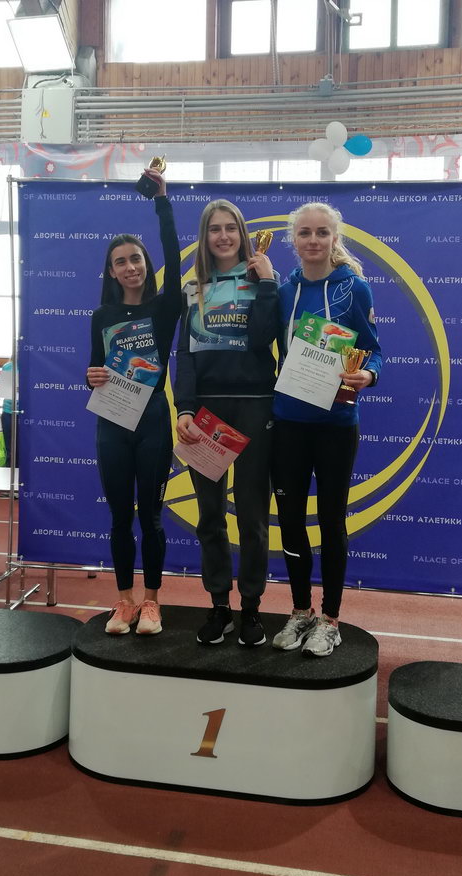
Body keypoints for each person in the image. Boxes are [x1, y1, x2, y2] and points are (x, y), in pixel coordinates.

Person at [270, 202, 382, 658]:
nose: (313, 240)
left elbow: (374, 351)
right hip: (288, 423)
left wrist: (368, 375)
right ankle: (301, 611)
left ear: (335, 238)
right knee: (291, 521)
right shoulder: (283, 292)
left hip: (336, 424)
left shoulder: (355, 288)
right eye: (305, 233)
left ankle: (331, 620)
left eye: (322, 232)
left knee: (332, 521)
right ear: (293, 240)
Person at [174, 199, 279, 647]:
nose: (223, 236)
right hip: (207, 414)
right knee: (211, 517)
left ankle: (251, 607)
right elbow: (185, 354)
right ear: (205, 237)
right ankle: (219, 605)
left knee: (253, 517)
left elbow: (261, 339)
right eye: (214, 229)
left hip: (255, 407)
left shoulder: (261, 282)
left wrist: (268, 284)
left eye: (230, 228)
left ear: (242, 234)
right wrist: (184, 407)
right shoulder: (193, 288)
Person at [86, 168, 181, 637]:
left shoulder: (164, 307)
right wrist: (90, 376)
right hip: (112, 422)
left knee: (152, 517)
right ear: (112, 271)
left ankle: (151, 603)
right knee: (120, 517)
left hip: (153, 422)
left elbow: (174, 258)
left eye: (136, 259)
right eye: (121, 261)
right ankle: (123, 602)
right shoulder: (101, 315)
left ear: (146, 264)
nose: (130, 267)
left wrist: (162, 203)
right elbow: (94, 368)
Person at [0, 359, 17, 468]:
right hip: (8, 412)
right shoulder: (8, 366)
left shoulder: (32, 367)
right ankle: (9, 473)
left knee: (22, 448)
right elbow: (5, 390)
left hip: (25, 414)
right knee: (10, 449)